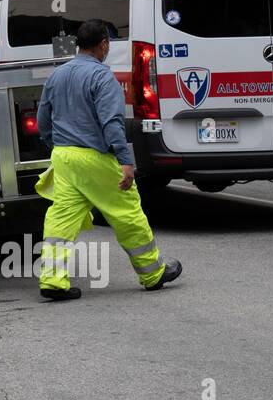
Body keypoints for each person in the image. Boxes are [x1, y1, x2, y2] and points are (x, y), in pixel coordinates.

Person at [35, 18, 182, 300]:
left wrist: (57, 146)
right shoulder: (102, 77)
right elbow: (112, 123)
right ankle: (153, 273)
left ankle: (52, 280)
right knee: (127, 212)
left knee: (60, 219)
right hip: (95, 157)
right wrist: (126, 161)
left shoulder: (57, 75)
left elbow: (44, 121)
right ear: (103, 44)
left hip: (64, 157)